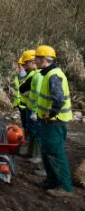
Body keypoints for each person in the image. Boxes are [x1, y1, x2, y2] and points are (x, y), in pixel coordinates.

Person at [34, 45, 74, 197]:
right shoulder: (49, 74)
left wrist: (50, 114)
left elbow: (58, 99)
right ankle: (51, 181)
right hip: (50, 122)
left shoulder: (53, 75)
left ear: (44, 60)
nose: (35, 61)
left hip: (54, 122)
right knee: (47, 151)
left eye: (37, 58)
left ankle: (65, 188)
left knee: (56, 154)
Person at [18, 50, 45, 175]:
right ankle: (31, 153)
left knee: (37, 133)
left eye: (26, 63)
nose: (24, 65)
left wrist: (34, 111)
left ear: (32, 61)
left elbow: (37, 94)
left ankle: (37, 156)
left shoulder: (38, 75)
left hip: (34, 109)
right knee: (31, 131)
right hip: (29, 107)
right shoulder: (34, 73)